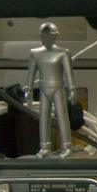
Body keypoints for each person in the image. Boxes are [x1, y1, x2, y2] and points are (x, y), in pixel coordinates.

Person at [24, 22, 76, 157]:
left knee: (62, 117)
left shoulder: (63, 53)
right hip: (43, 89)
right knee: (44, 118)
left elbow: (68, 73)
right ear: (40, 36)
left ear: (55, 36)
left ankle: (67, 147)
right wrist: (28, 90)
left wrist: (72, 89)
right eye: (43, 36)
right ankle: (44, 147)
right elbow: (31, 73)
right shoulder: (35, 53)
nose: (46, 39)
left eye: (49, 36)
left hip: (58, 88)